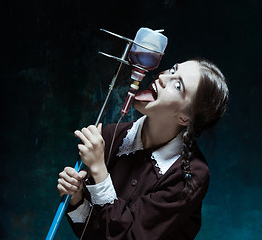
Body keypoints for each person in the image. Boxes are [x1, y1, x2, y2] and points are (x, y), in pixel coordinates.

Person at [57, 59, 229, 240]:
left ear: (184, 118)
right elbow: (94, 233)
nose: (163, 78)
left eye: (178, 86)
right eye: (172, 70)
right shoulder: (110, 137)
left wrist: (100, 171)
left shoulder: (191, 175)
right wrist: (76, 199)